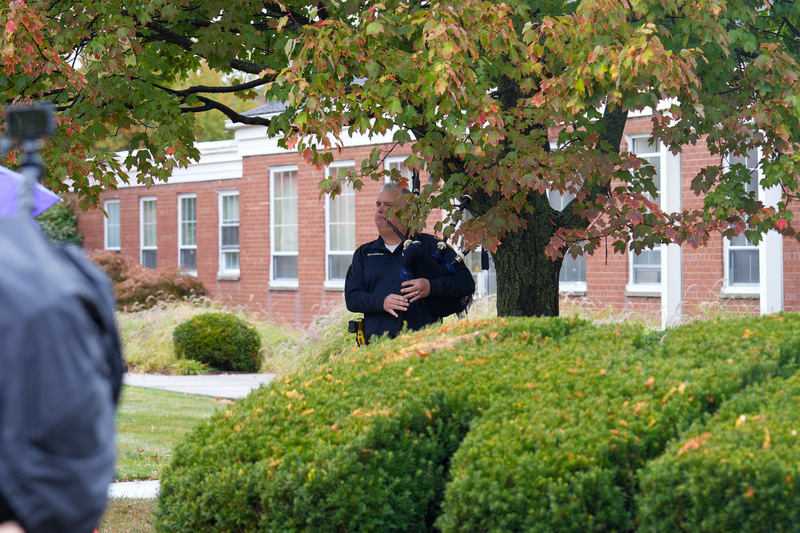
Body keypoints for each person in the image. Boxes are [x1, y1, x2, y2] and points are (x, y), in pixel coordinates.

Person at [345, 182, 475, 342]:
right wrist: (382, 302)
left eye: (388, 205)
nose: (380, 210)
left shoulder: (431, 246)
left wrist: (431, 287)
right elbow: (352, 298)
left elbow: (466, 283)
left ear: (407, 213)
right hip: (376, 350)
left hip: (424, 347)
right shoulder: (364, 253)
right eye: (378, 204)